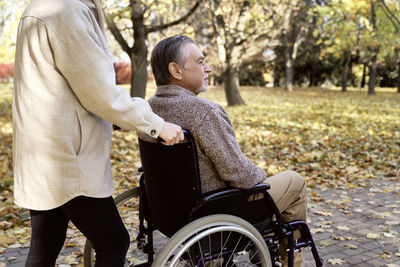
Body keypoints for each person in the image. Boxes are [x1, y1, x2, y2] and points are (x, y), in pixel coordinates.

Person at [12, 0, 184, 266]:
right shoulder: (65, 10)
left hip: (44, 153)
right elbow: (99, 92)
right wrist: (157, 125)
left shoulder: (42, 6)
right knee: (114, 243)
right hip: (69, 158)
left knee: (44, 247)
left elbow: (66, 85)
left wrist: (113, 118)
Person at [143, 35, 313, 267]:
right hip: (217, 210)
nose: (208, 68)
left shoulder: (148, 110)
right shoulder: (204, 111)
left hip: (169, 213)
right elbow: (240, 175)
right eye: (200, 62)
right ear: (176, 70)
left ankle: (263, 248)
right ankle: (290, 258)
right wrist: (260, 173)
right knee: (295, 181)